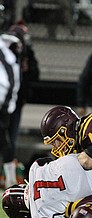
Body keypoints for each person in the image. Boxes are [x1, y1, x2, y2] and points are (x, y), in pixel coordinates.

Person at [7, 21, 39, 158]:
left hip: (17, 101)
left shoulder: (27, 55)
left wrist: (28, 60)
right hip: (4, 102)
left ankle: (7, 170)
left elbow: (35, 75)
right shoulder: (5, 54)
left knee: (12, 138)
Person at [0, 27, 20, 188]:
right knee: (4, 139)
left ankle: (10, 179)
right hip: (6, 104)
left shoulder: (7, 56)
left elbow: (8, 83)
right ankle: (10, 179)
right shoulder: (8, 56)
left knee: (4, 139)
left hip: (4, 104)